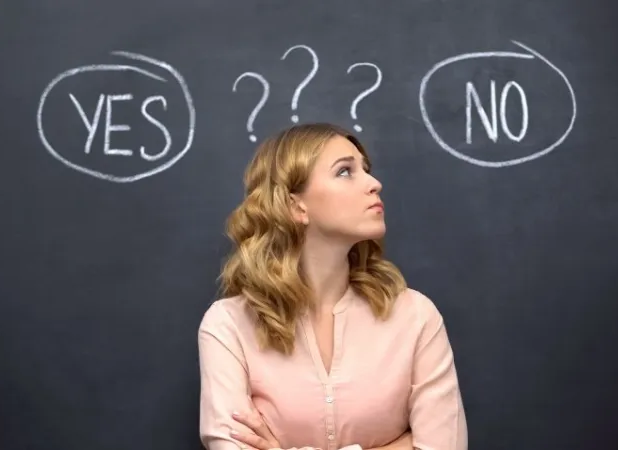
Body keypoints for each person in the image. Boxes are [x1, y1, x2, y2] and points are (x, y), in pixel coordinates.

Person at [198, 123, 467, 450]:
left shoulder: (416, 317)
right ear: (296, 206)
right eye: (345, 172)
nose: (375, 183)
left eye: (366, 170)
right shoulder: (228, 326)